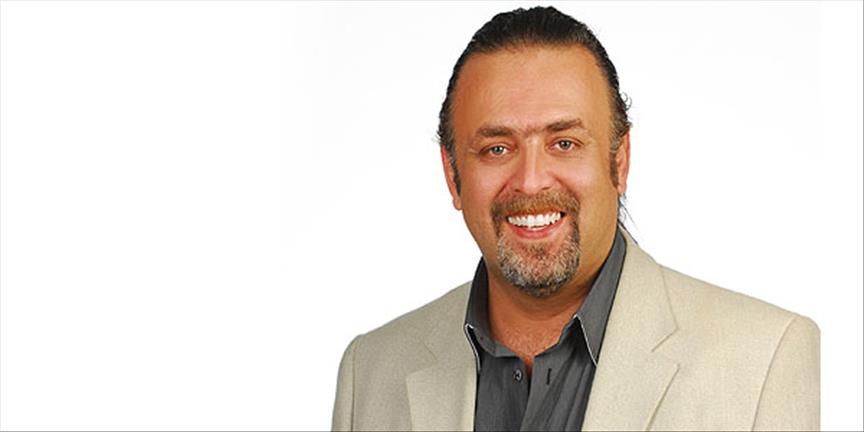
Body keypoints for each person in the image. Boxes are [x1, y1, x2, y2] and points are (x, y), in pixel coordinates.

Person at [332, 6, 819, 431]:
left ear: (619, 160)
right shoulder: (370, 371)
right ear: (452, 175)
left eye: (564, 143)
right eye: (496, 148)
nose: (530, 182)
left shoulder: (763, 361)